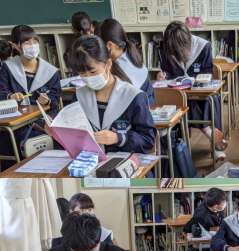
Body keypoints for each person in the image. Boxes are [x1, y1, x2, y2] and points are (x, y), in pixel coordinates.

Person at [69, 35, 156, 154]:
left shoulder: (133, 96)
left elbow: (148, 140)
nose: (88, 78)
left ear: (108, 64)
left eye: (93, 71)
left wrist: (118, 138)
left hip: (125, 160)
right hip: (90, 160)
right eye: (82, 74)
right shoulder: (79, 96)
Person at [157, 21, 227, 160]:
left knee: (212, 99)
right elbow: (166, 72)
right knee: (174, 100)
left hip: (198, 93)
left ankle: (213, 142)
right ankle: (205, 133)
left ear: (187, 42)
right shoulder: (166, 48)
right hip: (178, 94)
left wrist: (193, 80)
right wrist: (161, 76)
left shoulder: (203, 46)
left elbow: (207, 73)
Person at [0, 25, 61, 164]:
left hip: (41, 120)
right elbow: (1, 92)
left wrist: (48, 100)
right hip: (15, 121)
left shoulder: (50, 71)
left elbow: (55, 98)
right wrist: (10, 97)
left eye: (35, 41)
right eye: (27, 43)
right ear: (15, 46)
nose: (32, 46)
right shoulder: (7, 68)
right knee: (6, 140)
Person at [99, 18, 155, 105]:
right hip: (147, 105)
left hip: (137, 109)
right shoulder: (131, 53)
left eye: (99, 46)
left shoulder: (115, 68)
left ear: (109, 45)